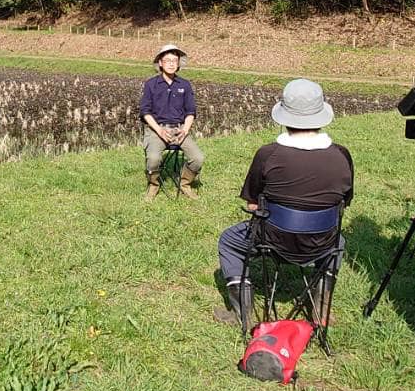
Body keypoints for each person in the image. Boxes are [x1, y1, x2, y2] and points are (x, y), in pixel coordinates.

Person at [214, 79, 354, 325]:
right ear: (320, 116)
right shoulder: (342, 155)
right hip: (321, 241)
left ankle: (242, 314)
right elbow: (343, 204)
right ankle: (321, 309)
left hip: (274, 239)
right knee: (338, 241)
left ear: (285, 116)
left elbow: (252, 205)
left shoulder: (267, 154)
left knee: (229, 241)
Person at [140, 44, 204, 200]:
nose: (171, 63)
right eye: (167, 60)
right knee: (154, 159)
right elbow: (145, 112)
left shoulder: (185, 85)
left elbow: (190, 112)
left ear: (178, 64)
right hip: (156, 130)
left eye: (174, 61)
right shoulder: (151, 84)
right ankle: (154, 185)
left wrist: (185, 130)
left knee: (198, 158)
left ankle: (185, 184)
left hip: (179, 129)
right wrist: (159, 131)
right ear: (160, 63)